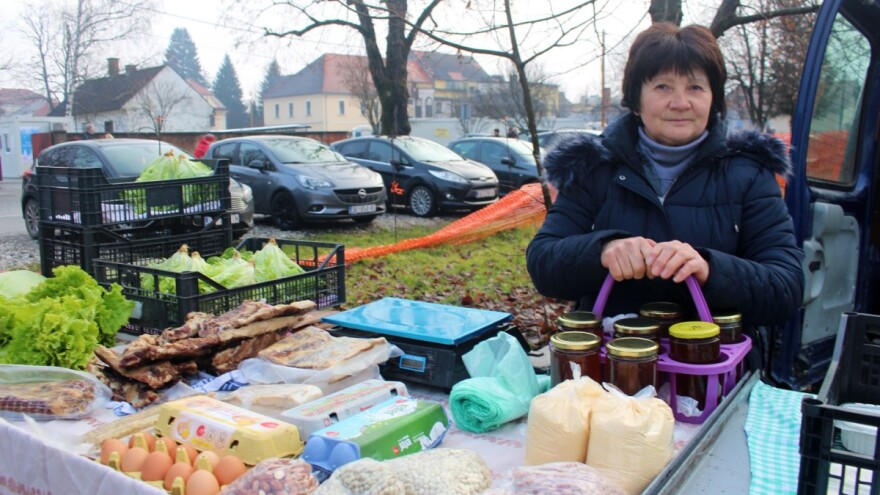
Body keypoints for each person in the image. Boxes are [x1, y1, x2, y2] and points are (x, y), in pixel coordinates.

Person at [526, 23, 804, 333]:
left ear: (714, 98)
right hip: (610, 365)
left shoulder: (749, 172)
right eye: (663, 87)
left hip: (711, 369)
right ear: (636, 97)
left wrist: (710, 269)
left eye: (695, 87)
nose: (680, 102)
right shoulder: (592, 167)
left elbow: (786, 287)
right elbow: (543, 264)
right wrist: (602, 250)